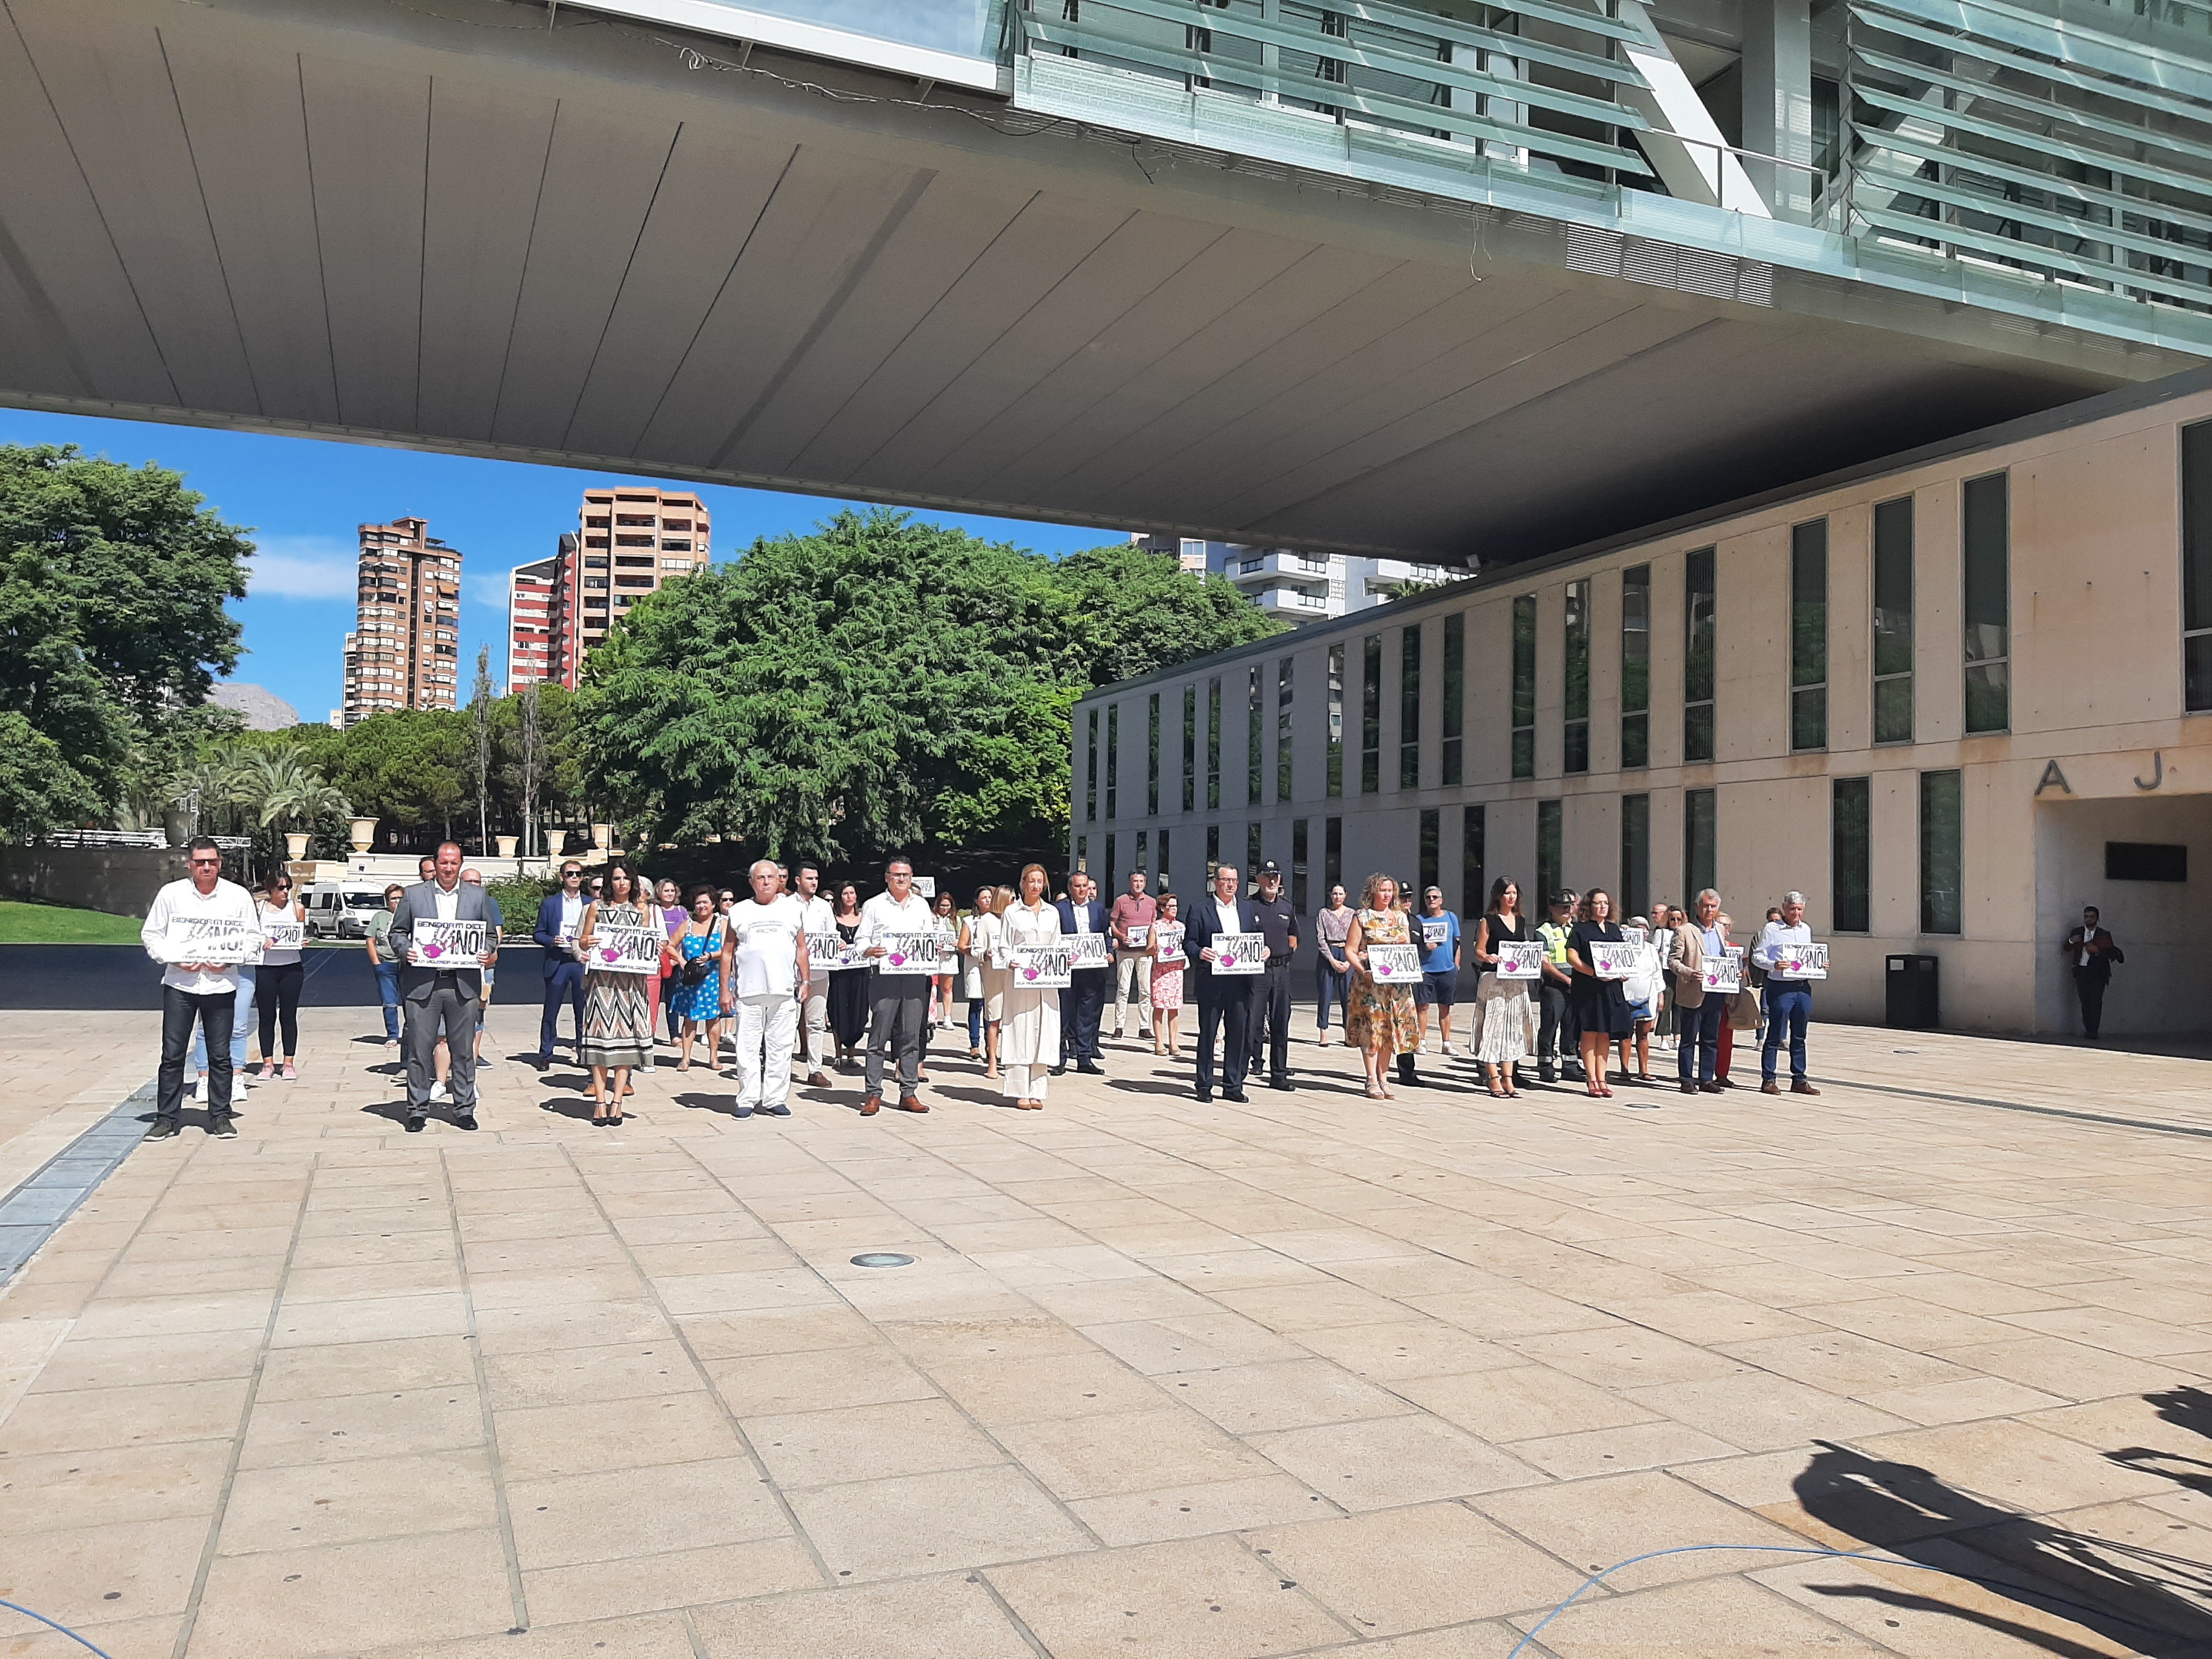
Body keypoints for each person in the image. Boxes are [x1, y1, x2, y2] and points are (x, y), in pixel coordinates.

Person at [142, 837, 260, 1139]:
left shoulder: (238, 896)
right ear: (190, 864)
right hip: (180, 985)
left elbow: (252, 938)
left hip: (221, 985)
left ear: (220, 863)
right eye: (200, 862)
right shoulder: (171, 894)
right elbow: (152, 934)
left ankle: (220, 1115)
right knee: (173, 1054)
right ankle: (167, 1118)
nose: (206, 867)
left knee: (220, 1055)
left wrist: (233, 959)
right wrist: (175, 960)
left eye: (213, 862)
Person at [389, 841, 499, 1132]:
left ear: (460, 864)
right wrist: (405, 951)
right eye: (443, 863)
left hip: (462, 984)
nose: (448, 868)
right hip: (423, 983)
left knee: (463, 1050)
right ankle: (417, 1109)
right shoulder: (413, 895)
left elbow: (490, 935)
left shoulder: (478, 896)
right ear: (434, 864)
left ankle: (464, 1108)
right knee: (419, 1049)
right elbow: (397, 932)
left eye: (454, 863)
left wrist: (485, 950)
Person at [723, 859, 809, 1118]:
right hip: (749, 990)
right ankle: (747, 1098)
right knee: (747, 1048)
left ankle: (774, 1099)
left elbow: (802, 948)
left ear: (779, 880)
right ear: (752, 882)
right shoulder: (739, 911)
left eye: (771, 877)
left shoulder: (793, 909)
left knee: (781, 1047)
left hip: (784, 990)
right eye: (760, 878)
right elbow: (728, 952)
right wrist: (724, 990)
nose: (766, 882)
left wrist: (805, 981)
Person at [577, 861, 653, 1124]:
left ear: (633, 882)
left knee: (626, 1047)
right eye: (617, 879)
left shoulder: (642, 911)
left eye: (626, 879)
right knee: (600, 1045)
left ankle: (617, 1101)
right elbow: (581, 940)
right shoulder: (596, 908)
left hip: (631, 986)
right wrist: (587, 943)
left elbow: (645, 947)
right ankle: (600, 1101)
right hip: (602, 985)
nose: (622, 883)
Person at [859, 856, 936, 1114]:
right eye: (896, 875)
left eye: (906, 875)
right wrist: (870, 950)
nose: (902, 879)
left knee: (911, 1035)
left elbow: (929, 937)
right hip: (884, 976)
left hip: (915, 978)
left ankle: (909, 1092)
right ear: (887, 878)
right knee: (879, 1035)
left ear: (912, 877)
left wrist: (932, 948)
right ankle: (873, 1094)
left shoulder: (922, 906)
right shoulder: (874, 905)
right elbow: (861, 941)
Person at [1187, 862, 1264, 1103]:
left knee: (1238, 1034)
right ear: (1216, 882)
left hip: (1241, 982)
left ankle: (1233, 1084)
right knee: (1209, 1033)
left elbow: (1256, 939)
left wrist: (1264, 951)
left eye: (1235, 881)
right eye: (1226, 880)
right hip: (1211, 982)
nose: (1231, 885)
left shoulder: (1248, 909)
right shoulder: (1200, 910)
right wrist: (1200, 952)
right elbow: (1188, 942)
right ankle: (1204, 1084)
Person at [998, 864, 1063, 1109]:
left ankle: (1038, 1090)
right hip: (1020, 981)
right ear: (1023, 883)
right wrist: (1009, 960)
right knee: (1020, 1030)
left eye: (1040, 881)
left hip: (1046, 984)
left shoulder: (1052, 913)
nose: (1035, 886)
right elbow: (1003, 946)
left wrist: (1064, 960)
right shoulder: (1012, 912)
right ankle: (1018, 1090)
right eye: (1031, 881)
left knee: (1044, 1032)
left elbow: (1056, 944)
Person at [1753, 891, 1823, 1095]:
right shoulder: (1772, 929)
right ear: (1784, 909)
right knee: (1776, 1032)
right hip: (1781, 987)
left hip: (1802, 987)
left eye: (1800, 909)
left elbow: (1808, 957)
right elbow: (1758, 956)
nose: (1796, 913)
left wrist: (1819, 964)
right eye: (1792, 909)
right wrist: (1773, 964)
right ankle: (1769, 1078)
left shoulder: (1806, 930)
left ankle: (1799, 1079)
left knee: (1800, 1034)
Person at [1566, 889, 1631, 1099]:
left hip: (1611, 989)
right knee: (1590, 1032)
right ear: (1589, 906)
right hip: (1588, 988)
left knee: (1605, 1033)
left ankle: (1603, 1079)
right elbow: (1572, 956)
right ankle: (1592, 1079)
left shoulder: (1614, 930)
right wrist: (1592, 973)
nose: (1602, 906)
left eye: (1605, 903)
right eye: (1597, 903)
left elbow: (1622, 957)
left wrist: (1624, 972)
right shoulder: (1581, 930)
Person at [1472, 877, 1533, 1098]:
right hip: (1494, 979)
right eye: (1507, 893)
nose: (1511, 897)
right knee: (1493, 1029)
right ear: (1498, 895)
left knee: (1512, 1029)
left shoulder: (1520, 920)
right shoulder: (1488, 920)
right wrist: (1488, 957)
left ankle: (1509, 1078)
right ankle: (1493, 1078)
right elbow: (1479, 950)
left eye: (1514, 893)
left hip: (1515, 981)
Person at [1244, 861, 1300, 1091]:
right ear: (1258, 879)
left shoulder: (1286, 907)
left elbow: (1294, 936)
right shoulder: (1249, 907)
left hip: (1281, 971)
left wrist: (1287, 953)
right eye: (1267, 877)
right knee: (1252, 1021)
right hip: (1258, 972)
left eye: (1275, 877)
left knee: (1280, 1023)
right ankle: (1246, 1067)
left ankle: (1279, 1074)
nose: (1272, 881)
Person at [1667, 888, 1728, 1095]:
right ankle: (1686, 1079)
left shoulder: (1721, 930)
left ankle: (1706, 1078)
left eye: (1713, 906)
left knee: (1711, 1038)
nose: (1709, 910)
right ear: (1697, 907)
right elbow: (1673, 961)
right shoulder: (1685, 931)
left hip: (1716, 991)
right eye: (1706, 906)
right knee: (1688, 1038)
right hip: (1693, 991)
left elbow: (1725, 958)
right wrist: (1689, 973)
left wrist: (1732, 973)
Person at [532, 862, 590, 1069]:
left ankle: (584, 1052)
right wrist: (551, 940)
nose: (574, 877)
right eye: (570, 874)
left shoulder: (591, 903)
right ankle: (546, 1053)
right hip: (559, 961)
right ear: (562, 877)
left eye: (578, 874)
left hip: (582, 962)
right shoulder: (550, 904)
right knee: (551, 1010)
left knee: (583, 1010)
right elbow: (538, 933)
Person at [252, 873, 307, 1080]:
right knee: (266, 1016)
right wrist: (263, 939)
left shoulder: (297, 908)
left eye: (288, 888)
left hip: (291, 968)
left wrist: (301, 941)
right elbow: (251, 933)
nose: (285, 892)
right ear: (271, 890)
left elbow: (300, 933)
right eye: (281, 888)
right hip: (266, 968)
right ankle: (267, 1063)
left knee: (288, 1015)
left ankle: (288, 1062)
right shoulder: (259, 909)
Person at [1056, 871, 1110, 1075]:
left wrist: (1109, 952)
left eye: (1085, 886)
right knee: (1065, 1014)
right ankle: (1060, 1058)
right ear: (1070, 888)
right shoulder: (1059, 909)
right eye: (1078, 886)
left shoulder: (1097, 909)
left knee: (1086, 1016)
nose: (1082, 890)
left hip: (1091, 969)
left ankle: (1084, 1058)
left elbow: (1105, 934)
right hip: (1067, 969)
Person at [670, 887, 727, 1071]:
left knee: (714, 1019)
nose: (702, 906)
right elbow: (670, 945)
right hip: (690, 979)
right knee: (690, 1018)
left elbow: (729, 949)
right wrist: (681, 960)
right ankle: (686, 1058)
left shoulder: (722, 923)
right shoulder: (687, 924)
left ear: (713, 904)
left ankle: (714, 1057)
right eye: (698, 903)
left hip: (712, 979)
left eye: (705, 902)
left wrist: (711, 956)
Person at [793, 864, 836, 1087]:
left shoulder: (824, 907)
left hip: (819, 973)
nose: (814, 882)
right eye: (809, 878)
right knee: (788, 1022)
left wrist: (836, 944)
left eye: (816, 878)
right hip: (792, 974)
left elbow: (832, 934)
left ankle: (815, 1069)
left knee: (816, 1022)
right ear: (798, 880)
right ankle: (780, 1067)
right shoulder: (787, 905)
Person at [1109, 870, 1159, 1043]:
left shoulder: (1152, 902)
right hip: (1126, 951)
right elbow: (1112, 924)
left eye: (1141, 881)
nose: (1138, 884)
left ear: (1145, 883)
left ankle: (1144, 1027)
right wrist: (1121, 937)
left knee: (1145, 990)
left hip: (1145, 952)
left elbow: (1154, 925)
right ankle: (1119, 1026)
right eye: (1135, 881)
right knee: (1123, 989)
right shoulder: (1121, 901)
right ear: (1130, 883)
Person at [1412, 886, 1462, 1060]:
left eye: (1435, 897)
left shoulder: (1450, 918)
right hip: (1426, 969)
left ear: (1441, 900)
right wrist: (1424, 948)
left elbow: (1457, 942)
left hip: (1447, 970)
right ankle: (1422, 1041)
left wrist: (1456, 964)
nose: (1432, 899)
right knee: (1423, 1006)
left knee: (1445, 1007)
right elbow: (1413, 944)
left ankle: (1446, 1043)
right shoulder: (1419, 920)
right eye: (1428, 897)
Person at [2062, 905, 2124, 1041]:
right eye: (2086, 917)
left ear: (2097, 918)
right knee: (2085, 1001)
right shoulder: (2077, 932)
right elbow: (2066, 948)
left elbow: (2112, 954)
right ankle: (2088, 1028)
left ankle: (2093, 1031)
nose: (2089, 919)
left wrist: (2097, 951)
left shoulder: (2104, 934)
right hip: (2082, 971)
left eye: (2092, 917)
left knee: (2096, 1001)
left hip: (2098, 973)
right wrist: (2072, 941)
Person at [1535, 890, 1578, 1084]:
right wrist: (1566, 980)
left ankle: (1570, 1066)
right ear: (1552, 909)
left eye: (1569, 907)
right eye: (1562, 907)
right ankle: (1545, 1067)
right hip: (1554, 985)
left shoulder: (1575, 929)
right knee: (1550, 1026)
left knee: (1572, 1027)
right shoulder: (1543, 931)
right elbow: (1545, 964)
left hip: (1575, 984)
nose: (1567, 911)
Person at [827, 882, 870, 1069]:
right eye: (845, 893)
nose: (849, 897)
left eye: (852, 893)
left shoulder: (864, 918)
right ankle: (838, 1054)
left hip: (861, 972)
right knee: (839, 1010)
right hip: (839, 973)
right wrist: (836, 943)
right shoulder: (833, 918)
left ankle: (852, 1053)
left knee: (858, 1012)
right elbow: (826, 939)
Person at [961, 885, 1003, 1069]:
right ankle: (975, 1044)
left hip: (995, 970)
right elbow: (962, 946)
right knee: (977, 1004)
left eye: (990, 897)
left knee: (993, 1008)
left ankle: (990, 1046)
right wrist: (980, 952)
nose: (987, 900)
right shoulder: (970, 921)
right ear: (977, 901)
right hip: (975, 965)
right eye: (983, 897)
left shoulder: (1003, 920)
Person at [1618, 916, 1662, 1084]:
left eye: (1645, 929)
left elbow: (1657, 974)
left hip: (1647, 995)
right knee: (1626, 1034)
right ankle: (1625, 1070)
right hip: (1626, 995)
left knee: (1643, 1034)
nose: (1642, 932)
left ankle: (1644, 1070)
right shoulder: (1623, 948)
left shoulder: (1651, 949)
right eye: (1638, 929)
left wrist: (1660, 995)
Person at [366, 883, 405, 1047]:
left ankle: (412, 1034)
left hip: (406, 964)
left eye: (400, 898)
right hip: (386, 963)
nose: (397, 902)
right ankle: (393, 1035)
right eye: (393, 899)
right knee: (390, 1002)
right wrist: (377, 963)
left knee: (411, 1001)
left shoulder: (410, 916)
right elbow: (370, 940)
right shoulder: (380, 917)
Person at [1314, 884, 1353, 1045]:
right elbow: (1321, 938)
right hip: (1328, 953)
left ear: (1345, 895)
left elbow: (1356, 937)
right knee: (1325, 995)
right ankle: (1323, 1032)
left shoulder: (1352, 914)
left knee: (1347, 996)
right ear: (1330, 895)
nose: (1337, 897)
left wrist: (1349, 961)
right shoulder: (1324, 913)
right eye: (1335, 893)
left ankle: (1348, 1033)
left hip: (1347, 952)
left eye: (1340, 894)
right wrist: (1331, 959)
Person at [1150, 891, 1186, 1059]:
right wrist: (1155, 948)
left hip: (1176, 971)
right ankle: (1159, 1041)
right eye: (1171, 906)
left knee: (1174, 1007)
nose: (1174, 909)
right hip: (1161, 971)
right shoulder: (1156, 926)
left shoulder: (1181, 927)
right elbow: (1148, 949)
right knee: (1159, 1006)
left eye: (1176, 906)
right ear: (1163, 908)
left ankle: (1174, 1042)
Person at [656, 877, 687, 1043]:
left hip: (676, 961)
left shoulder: (682, 911)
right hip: (656, 961)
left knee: (672, 999)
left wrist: (677, 958)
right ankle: (648, 1032)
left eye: (672, 891)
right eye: (666, 890)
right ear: (659, 892)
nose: (669, 894)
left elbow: (687, 936)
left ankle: (674, 1034)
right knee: (652, 999)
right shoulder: (653, 910)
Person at [929, 889, 960, 1032]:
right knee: (932, 987)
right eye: (942, 906)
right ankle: (931, 1016)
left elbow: (963, 938)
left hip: (949, 957)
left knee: (947, 988)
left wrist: (957, 942)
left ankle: (948, 1017)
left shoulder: (956, 920)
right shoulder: (931, 918)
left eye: (948, 906)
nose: (945, 909)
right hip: (934, 957)